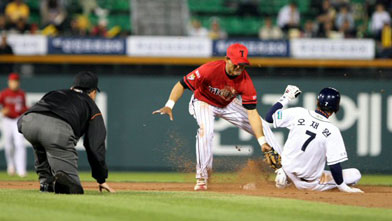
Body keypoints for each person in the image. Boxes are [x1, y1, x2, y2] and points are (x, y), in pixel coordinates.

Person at [153, 43, 280, 191]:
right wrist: (169, 105)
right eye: (237, 64)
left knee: (262, 126)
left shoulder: (245, 81)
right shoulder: (210, 69)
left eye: (243, 65)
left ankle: (283, 170)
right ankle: (202, 178)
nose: (240, 68)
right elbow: (181, 84)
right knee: (206, 131)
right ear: (227, 59)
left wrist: (262, 141)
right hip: (203, 101)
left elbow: (252, 113)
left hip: (227, 104)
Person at [17, 71, 115, 194]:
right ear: (93, 92)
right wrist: (101, 178)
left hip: (28, 123)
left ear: (72, 87)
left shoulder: (55, 93)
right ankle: (64, 177)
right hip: (56, 130)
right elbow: (95, 146)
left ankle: (46, 183)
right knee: (72, 187)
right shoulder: (91, 106)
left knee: (41, 146)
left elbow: (35, 113)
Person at [265, 86, 363, 193]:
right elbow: (334, 166)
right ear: (337, 108)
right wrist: (343, 187)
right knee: (355, 174)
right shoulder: (332, 130)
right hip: (310, 184)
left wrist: (286, 97)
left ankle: (284, 175)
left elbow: (269, 117)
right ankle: (333, 188)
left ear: (317, 102)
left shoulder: (299, 113)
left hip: (287, 171)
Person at [0, 73, 27, 177]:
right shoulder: (4, 93)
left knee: (20, 144)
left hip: (17, 119)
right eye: (13, 81)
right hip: (7, 120)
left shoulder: (21, 94)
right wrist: (1, 109)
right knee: (8, 145)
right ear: (9, 82)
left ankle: (21, 170)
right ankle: (11, 165)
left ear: (19, 82)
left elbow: (24, 107)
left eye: (16, 81)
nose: (14, 83)